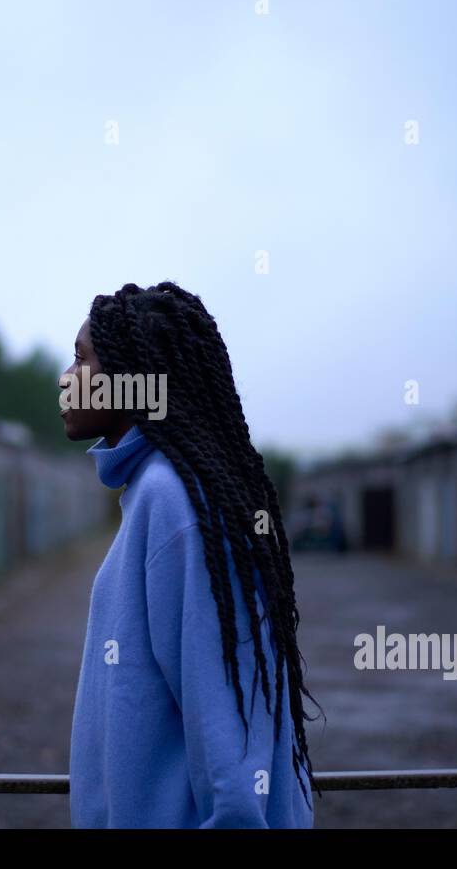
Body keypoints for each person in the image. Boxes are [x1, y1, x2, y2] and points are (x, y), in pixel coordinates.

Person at [59, 281, 323, 828]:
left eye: (82, 359)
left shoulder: (173, 500)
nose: (66, 379)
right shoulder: (155, 491)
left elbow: (228, 739)